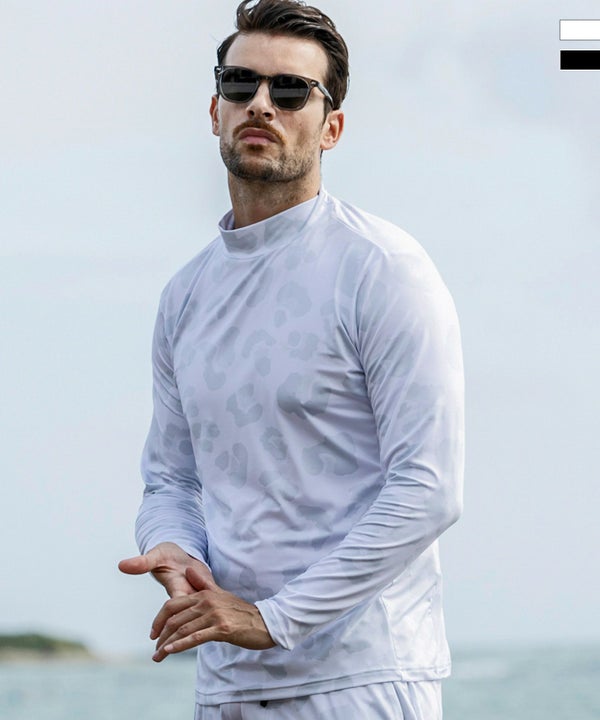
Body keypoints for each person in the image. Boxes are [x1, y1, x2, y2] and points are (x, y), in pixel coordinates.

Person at [119, 1, 464, 717]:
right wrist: (174, 549)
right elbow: (170, 479)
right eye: (240, 83)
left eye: (290, 90)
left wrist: (275, 619)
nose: (261, 104)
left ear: (331, 126)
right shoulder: (185, 295)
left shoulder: (381, 267)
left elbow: (428, 488)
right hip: (226, 681)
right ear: (214, 109)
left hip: (363, 681)